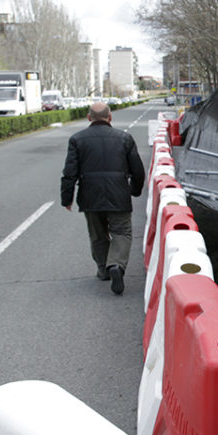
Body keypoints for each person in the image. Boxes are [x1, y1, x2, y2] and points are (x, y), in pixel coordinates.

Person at [61, 101, 145, 294]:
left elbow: (69, 173)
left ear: (89, 118)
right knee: (122, 232)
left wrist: (67, 198)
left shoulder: (77, 139)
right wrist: (135, 190)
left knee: (98, 234)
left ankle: (103, 270)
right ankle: (116, 265)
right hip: (119, 194)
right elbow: (138, 171)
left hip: (90, 196)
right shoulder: (125, 138)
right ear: (110, 117)